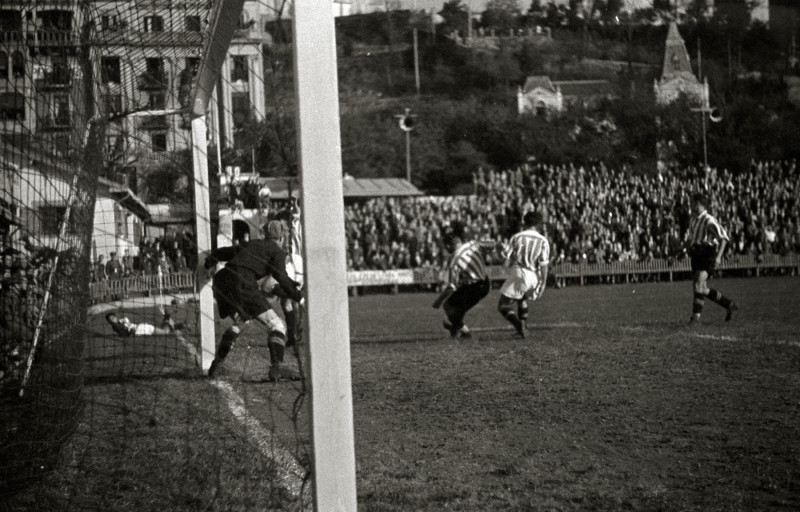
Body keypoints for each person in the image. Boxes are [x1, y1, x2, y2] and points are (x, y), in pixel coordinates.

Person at [202, 222, 303, 381]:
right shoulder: (277, 252)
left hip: (222, 281)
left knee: (239, 324)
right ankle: (277, 368)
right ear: (281, 237)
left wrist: (208, 262)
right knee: (276, 325)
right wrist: (299, 296)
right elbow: (280, 276)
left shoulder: (252, 243)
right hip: (243, 282)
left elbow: (224, 252)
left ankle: (217, 365)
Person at [432, 220, 497, 338]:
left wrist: (438, 301)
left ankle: (462, 331)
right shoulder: (473, 243)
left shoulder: (455, 260)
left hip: (474, 287)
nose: (446, 249)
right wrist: (496, 254)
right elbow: (492, 245)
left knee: (448, 306)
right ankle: (456, 328)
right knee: (458, 310)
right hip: (486, 283)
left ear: (449, 245)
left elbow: (451, 287)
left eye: (446, 247)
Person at [684, 192, 739, 324]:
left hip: (707, 254)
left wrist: (718, 258)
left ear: (699, 204)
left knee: (698, 284)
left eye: (693, 202)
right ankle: (729, 304)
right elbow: (692, 239)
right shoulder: (694, 220)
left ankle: (695, 319)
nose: (691, 205)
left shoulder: (709, 220)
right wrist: (682, 249)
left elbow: (724, 239)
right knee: (701, 289)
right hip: (696, 254)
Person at [497, 210, 550, 338]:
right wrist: (543, 284)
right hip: (534, 277)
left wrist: (499, 251)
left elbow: (505, 261)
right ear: (538, 224)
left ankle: (518, 325)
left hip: (520, 272)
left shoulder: (517, 237)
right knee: (521, 299)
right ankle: (523, 327)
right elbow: (544, 265)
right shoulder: (543, 240)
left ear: (524, 223)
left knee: (503, 305)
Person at [105, 310, 183, 337]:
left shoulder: (116, 326)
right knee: (163, 330)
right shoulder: (122, 320)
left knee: (165, 332)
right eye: (111, 319)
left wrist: (124, 334)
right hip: (140, 327)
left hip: (139, 330)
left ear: (115, 317)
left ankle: (168, 318)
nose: (112, 320)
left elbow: (126, 333)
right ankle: (167, 318)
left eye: (112, 318)